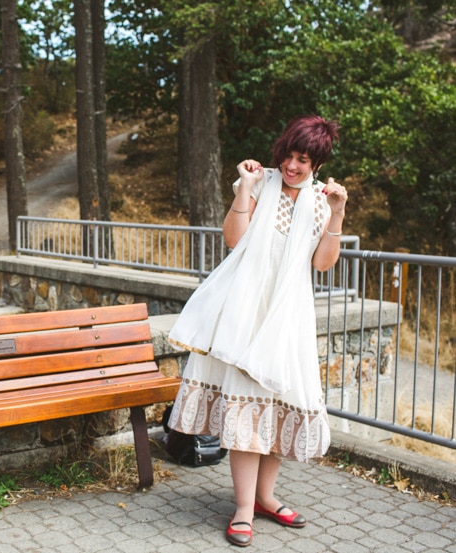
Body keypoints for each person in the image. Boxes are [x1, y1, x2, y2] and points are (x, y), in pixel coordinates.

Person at [165, 115, 346, 547]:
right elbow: (234, 239)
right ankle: (244, 507)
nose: (292, 165)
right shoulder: (259, 182)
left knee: (280, 403)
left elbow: (322, 263)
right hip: (246, 312)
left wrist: (337, 212)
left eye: (303, 159)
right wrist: (244, 189)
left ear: (317, 163)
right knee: (248, 412)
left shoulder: (321, 201)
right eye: (289, 154)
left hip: (287, 314)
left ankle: (266, 496)